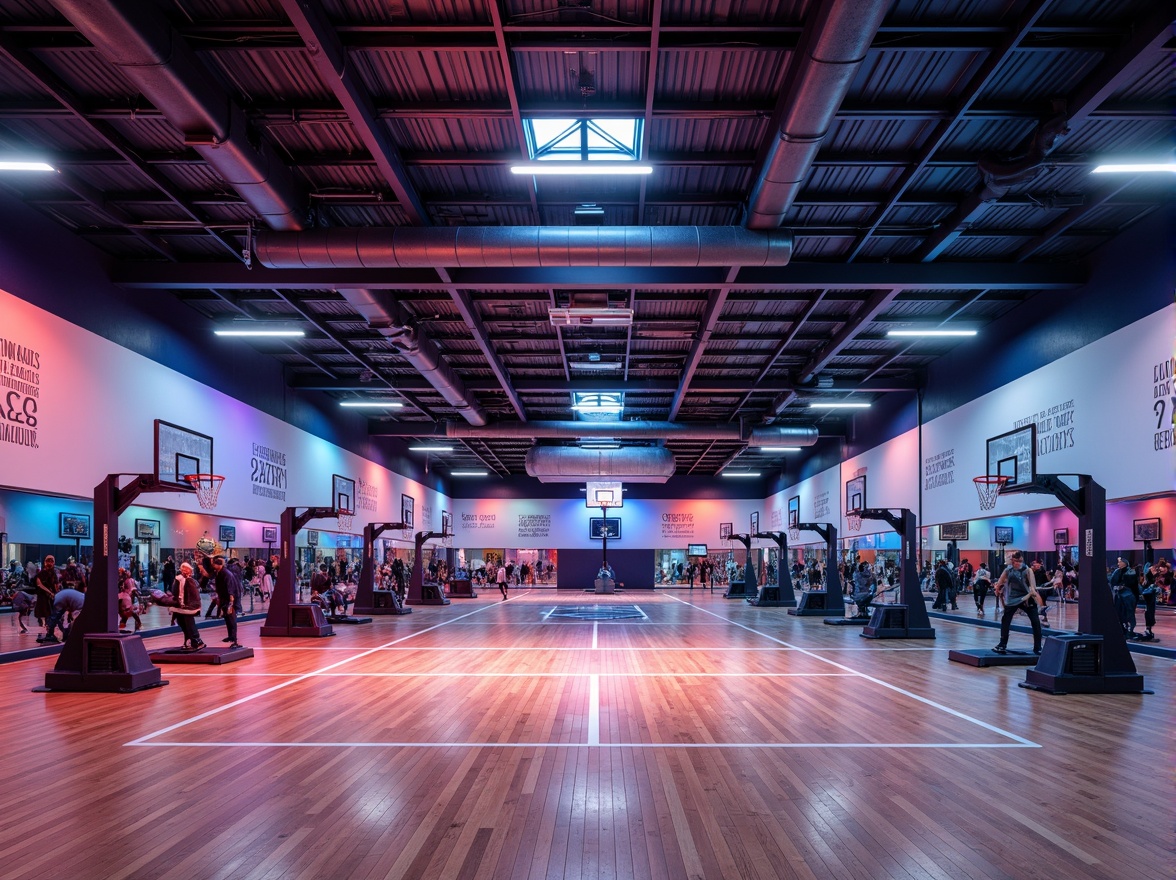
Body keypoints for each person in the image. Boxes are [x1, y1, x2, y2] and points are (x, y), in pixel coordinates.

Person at [992, 550, 1043, 655]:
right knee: (1006, 619)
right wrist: (998, 589)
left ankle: (1038, 647)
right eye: (1016, 561)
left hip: (1027, 597)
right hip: (1013, 598)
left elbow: (1032, 586)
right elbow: (1000, 582)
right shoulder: (1008, 571)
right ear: (1012, 561)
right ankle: (1002, 644)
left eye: (1020, 561)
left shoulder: (1027, 570)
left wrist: (1032, 592)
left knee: (1035, 621)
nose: (1018, 563)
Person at [153, 561, 204, 651]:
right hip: (189, 605)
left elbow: (178, 593)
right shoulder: (190, 580)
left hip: (186, 606)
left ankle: (196, 640)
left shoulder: (180, 579)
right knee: (185, 622)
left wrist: (180, 603)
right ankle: (190, 641)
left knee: (187, 623)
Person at [211, 555, 243, 648]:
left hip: (229, 598)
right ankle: (231, 636)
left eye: (214, 564)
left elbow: (230, 586)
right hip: (224, 597)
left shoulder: (226, 573)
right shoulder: (219, 572)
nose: (213, 565)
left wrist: (231, 598)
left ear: (218, 564)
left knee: (231, 618)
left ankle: (235, 639)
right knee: (227, 617)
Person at [1109, 557, 1139, 637]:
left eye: (1120, 562)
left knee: (1129, 613)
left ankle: (1129, 630)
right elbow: (1112, 582)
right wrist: (1116, 587)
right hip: (1119, 596)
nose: (1118, 564)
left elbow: (1132, 584)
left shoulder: (1131, 572)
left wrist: (1123, 587)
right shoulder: (1117, 571)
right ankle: (1122, 629)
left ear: (1124, 563)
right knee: (1119, 613)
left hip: (1128, 596)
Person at [33, 555, 58, 638]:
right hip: (43, 597)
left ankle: (50, 632)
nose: (50, 563)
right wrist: (50, 592)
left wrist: (55, 594)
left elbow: (56, 585)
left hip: (52, 597)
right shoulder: (41, 574)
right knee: (46, 614)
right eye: (48, 561)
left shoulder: (54, 574)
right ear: (45, 562)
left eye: (51, 561)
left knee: (53, 614)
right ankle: (48, 632)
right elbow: (39, 584)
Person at [117, 568, 142, 633]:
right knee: (125, 614)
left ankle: (138, 626)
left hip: (130, 599)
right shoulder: (121, 581)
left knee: (132, 612)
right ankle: (123, 625)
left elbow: (133, 590)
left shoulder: (129, 580)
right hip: (126, 599)